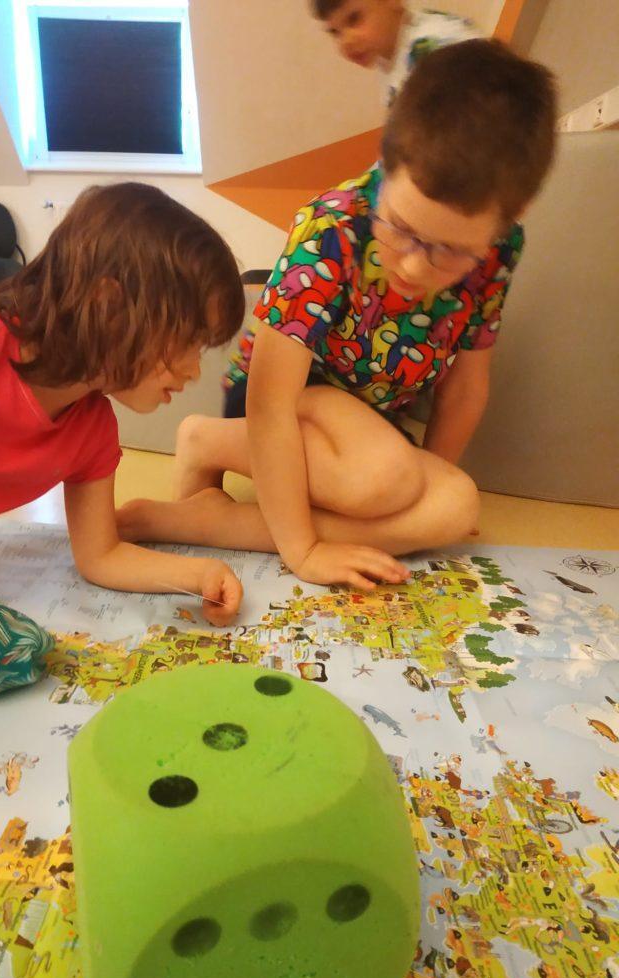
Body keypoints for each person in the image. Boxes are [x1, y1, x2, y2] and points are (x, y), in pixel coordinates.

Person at [115, 41, 558, 593]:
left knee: (455, 504)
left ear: (510, 217)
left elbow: (467, 386)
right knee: (384, 477)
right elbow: (270, 401)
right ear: (387, 163)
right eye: (400, 228)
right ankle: (207, 440)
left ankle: (213, 522)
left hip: (369, 430)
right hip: (280, 400)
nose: (413, 265)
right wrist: (303, 550)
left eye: (448, 251)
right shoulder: (332, 225)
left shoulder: (500, 249)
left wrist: (425, 489)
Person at [0, 183, 245, 719]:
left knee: (13, 648)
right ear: (110, 305)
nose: (195, 370)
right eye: (189, 341)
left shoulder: (91, 432)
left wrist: (197, 575)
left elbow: (101, 555)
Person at [314, 0, 479, 106]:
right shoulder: (388, 52)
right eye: (335, 32)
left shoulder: (432, 52)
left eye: (354, 18)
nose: (346, 41)